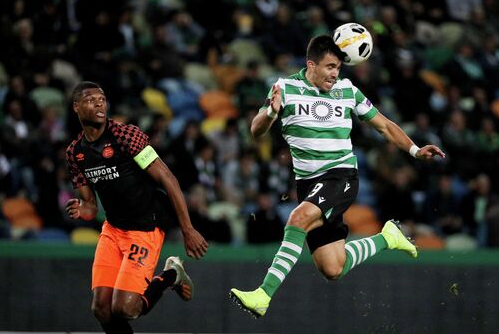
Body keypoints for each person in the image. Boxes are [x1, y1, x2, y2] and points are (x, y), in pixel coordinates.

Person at [229, 35, 445, 318]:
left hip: (340, 177)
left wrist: (415, 151)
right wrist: (271, 111)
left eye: (338, 68)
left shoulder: (348, 91)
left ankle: (263, 294)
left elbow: (384, 125)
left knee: (297, 219)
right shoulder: (286, 87)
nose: (335, 73)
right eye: (329, 66)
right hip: (308, 185)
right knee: (333, 268)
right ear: (311, 65)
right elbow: (256, 131)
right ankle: (387, 238)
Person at [64, 81, 208, 333]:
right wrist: (82, 209)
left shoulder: (125, 136)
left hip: (145, 227)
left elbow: (167, 178)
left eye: (102, 98)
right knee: (101, 309)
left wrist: (188, 229)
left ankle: (171, 275)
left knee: (125, 309)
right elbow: (90, 205)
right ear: (76, 107)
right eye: (90, 99)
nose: (99, 103)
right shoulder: (75, 153)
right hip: (113, 229)